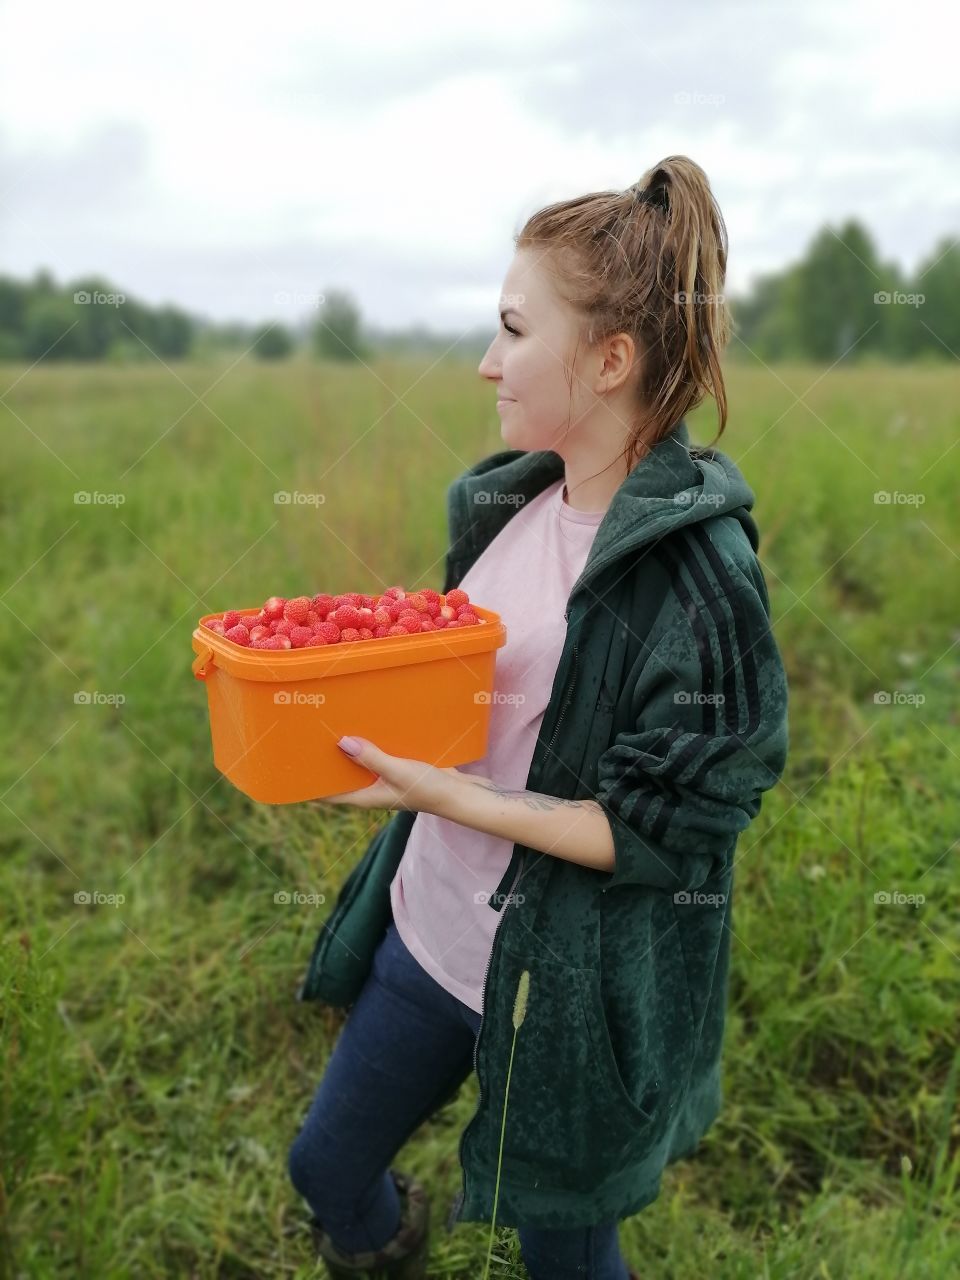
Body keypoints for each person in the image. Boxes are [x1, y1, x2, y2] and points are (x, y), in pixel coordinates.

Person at [289, 154, 790, 1280]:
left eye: (515, 330)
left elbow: (669, 826)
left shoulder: (701, 578)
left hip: (558, 987)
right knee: (325, 1167)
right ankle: (382, 1241)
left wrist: (444, 795)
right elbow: (472, 707)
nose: (485, 362)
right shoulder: (506, 500)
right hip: (431, 929)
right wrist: (366, 757)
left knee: (566, 1253)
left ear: (612, 359)